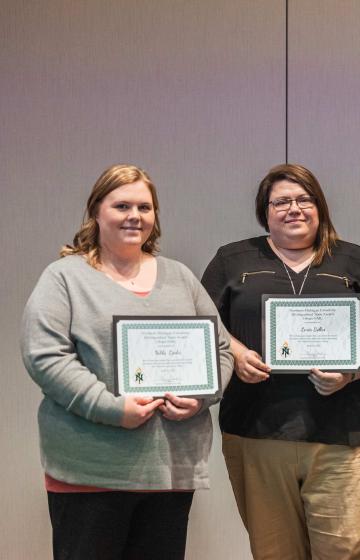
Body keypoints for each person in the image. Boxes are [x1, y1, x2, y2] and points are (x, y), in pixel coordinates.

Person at [20, 164, 234, 560]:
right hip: (89, 472)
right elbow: (45, 356)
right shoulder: (65, 278)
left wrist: (200, 397)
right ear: (96, 212)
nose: (134, 216)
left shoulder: (180, 278)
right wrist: (112, 408)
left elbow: (219, 351)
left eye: (144, 207)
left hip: (168, 472)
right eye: (121, 205)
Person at [201, 163, 360, 559]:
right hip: (256, 430)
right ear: (265, 211)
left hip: (339, 432)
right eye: (281, 202)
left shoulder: (354, 260)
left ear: (320, 206)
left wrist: (351, 369)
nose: (294, 208)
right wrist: (237, 354)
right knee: (274, 553)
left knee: (344, 551)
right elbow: (203, 321)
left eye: (304, 199)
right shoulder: (233, 260)